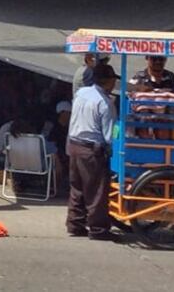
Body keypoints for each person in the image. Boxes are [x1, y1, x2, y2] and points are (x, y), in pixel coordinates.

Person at [66, 62, 119, 241]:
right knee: (96, 190)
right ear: (108, 81)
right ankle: (98, 229)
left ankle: (75, 223)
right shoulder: (105, 103)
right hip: (91, 149)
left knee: (77, 187)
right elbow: (109, 135)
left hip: (74, 145)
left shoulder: (81, 93)